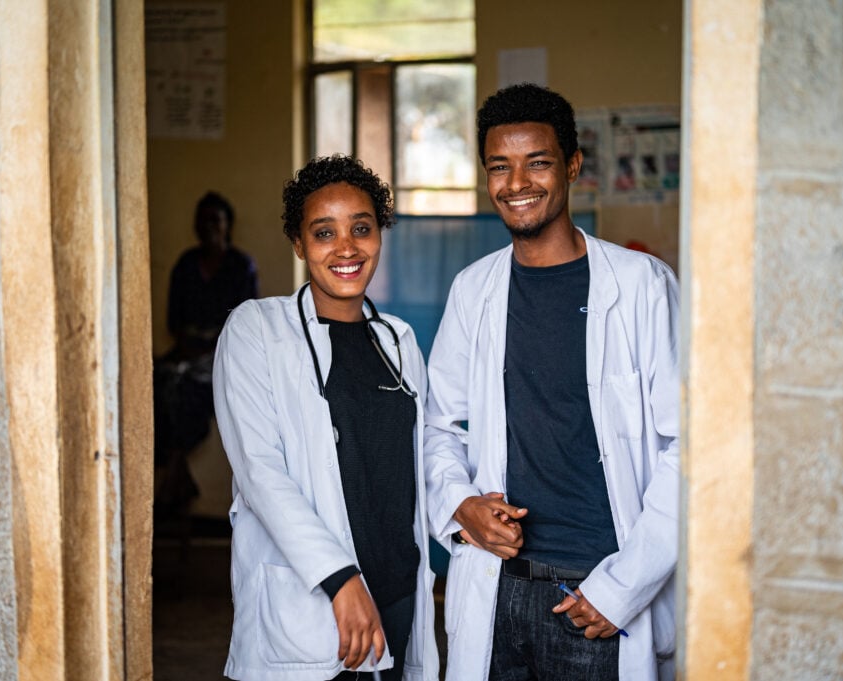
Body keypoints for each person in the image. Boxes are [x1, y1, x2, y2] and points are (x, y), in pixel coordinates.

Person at [424, 83, 680, 680]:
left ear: (571, 165)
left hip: (598, 597)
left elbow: (688, 448)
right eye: (499, 167)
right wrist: (460, 504)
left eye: (537, 162)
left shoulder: (642, 287)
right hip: (498, 592)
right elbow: (439, 426)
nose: (517, 184)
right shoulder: (473, 290)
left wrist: (623, 589)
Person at [212, 155, 439, 681]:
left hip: (398, 593)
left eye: (361, 228)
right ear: (298, 243)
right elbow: (259, 472)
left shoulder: (399, 341)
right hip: (317, 602)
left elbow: (417, 463)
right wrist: (341, 580)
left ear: (380, 234)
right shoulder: (255, 331)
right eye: (324, 233)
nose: (346, 248)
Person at [153, 191, 258, 517]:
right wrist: (191, 345)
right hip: (188, 349)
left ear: (228, 226)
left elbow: (243, 322)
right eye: (203, 220)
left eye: (216, 220)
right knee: (158, 379)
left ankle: (174, 473)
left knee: (192, 385)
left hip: (224, 351)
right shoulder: (186, 264)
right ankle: (175, 469)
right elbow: (174, 321)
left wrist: (210, 345)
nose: (209, 227)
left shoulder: (241, 266)